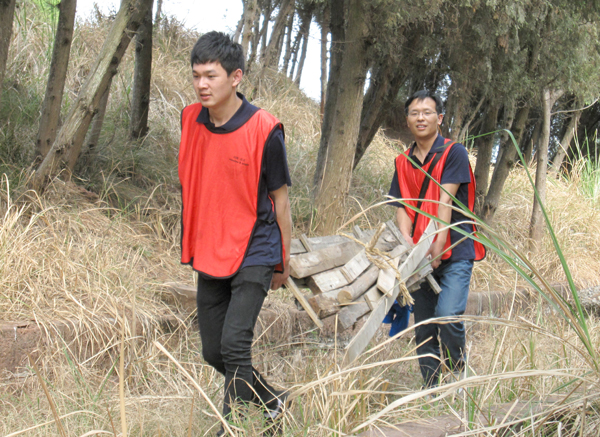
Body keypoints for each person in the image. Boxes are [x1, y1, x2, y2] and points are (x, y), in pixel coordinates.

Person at [178, 31, 292, 435]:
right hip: (211, 247)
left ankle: (233, 427)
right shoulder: (190, 119)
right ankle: (274, 402)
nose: (202, 84)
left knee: (234, 345)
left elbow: (281, 202)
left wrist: (283, 261)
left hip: (255, 248)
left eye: (211, 76)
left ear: (236, 76)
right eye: (196, 76)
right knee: (214, 351)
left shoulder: (265, 129)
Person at [388, 90, 485, 388]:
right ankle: (432, 389)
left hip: (454, 248)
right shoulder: (403, 162)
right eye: (414, 113)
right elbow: (402, 206)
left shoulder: (454, 153)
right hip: (420, 254)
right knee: (424, 327)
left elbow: (445, 202)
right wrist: (407, 243)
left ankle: (456, 373)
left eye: (427, 112)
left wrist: (438, 246)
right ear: (407, 120)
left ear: (439, 118)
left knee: (447, 315)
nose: (421, 118)